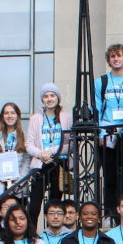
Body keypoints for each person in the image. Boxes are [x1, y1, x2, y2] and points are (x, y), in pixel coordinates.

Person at [95, 45, 123, 223]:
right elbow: (96, 108)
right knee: (110, 175)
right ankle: (111, 213)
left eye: (119, 56)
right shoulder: (101, 82)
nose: (116, 59)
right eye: (112, 56)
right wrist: (100, 133)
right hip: (108, 134)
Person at [26, 82, 72, 225]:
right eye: (46, 96)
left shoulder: (67, 117)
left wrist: (50, 152)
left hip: (59, 163)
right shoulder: (35, 119)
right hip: (40, 164)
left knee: (55, 203)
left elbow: (69, 145)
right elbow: (29, 143)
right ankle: (32, 233)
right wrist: (41, 154)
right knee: (34, 205)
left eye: (52, 95)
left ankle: (54, 231)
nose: (49, 98)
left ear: (57, 98)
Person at [0, 102, 31, 197]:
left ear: (17, 116)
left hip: (18, 189)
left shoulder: (25, 136)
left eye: (13, 113)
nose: (9, 116)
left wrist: (18, 183)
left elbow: (27, 162)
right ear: (2, 116)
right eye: (6, 113)